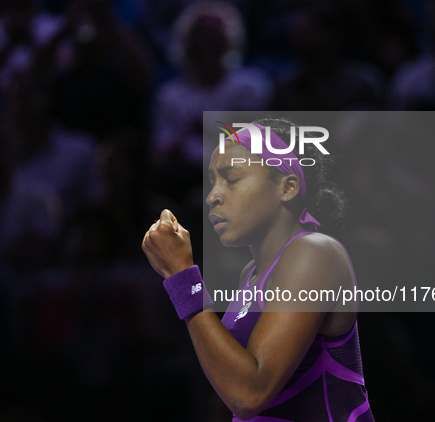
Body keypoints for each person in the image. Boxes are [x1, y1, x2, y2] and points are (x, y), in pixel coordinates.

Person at [142, 117, 374, 422]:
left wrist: (181, 276)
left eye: (232, 178)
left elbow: (249, 394)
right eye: (212, 181)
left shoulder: (315, 252)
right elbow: (228, 400)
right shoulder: (250, 276)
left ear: (288, 187)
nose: (212, 196)